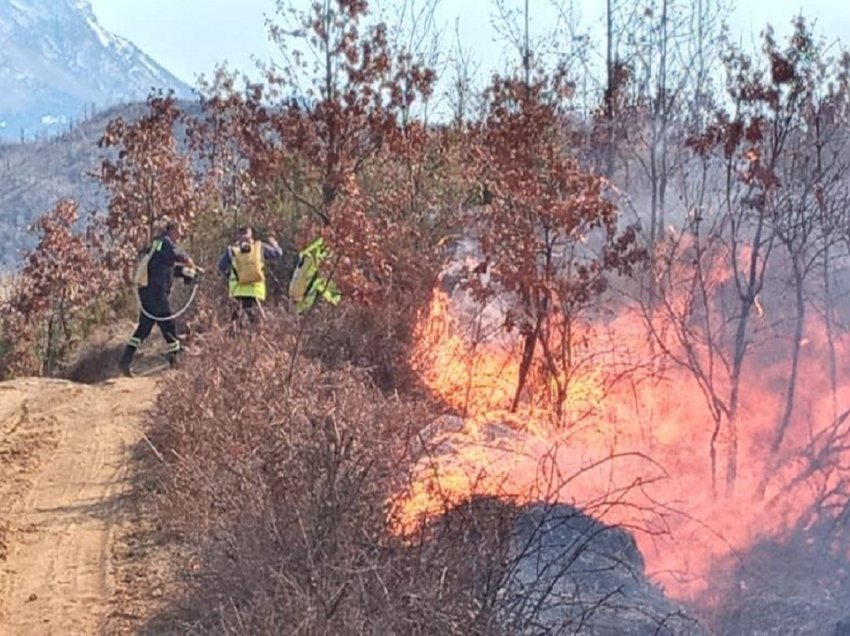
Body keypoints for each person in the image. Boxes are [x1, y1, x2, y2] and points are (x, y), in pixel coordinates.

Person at [118, 222, 195, 376]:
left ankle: (125, 361)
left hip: (148, 293)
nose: (180, 235)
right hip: (156, 293)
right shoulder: (164, 243)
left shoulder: (157, 247)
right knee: (169, 327)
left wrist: (188, 273)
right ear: (171, 230)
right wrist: (188, 261)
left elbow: (169, 269)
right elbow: (176, 256)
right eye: (178, 231)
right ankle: (175, 362)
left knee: (144, 329)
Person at [217, 226, 283, 326]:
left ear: (238, 236)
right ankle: (256, 339)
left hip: (237, 291)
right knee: (257, 323)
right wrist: (275, 244)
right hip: (254, 290)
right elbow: (278, 253)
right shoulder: (259, 247)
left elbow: (221, 266)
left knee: (235, 323)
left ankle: (233, 339)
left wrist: (231, 275)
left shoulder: (232, 250)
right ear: (251, 236)